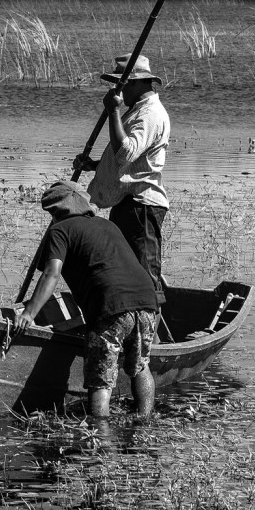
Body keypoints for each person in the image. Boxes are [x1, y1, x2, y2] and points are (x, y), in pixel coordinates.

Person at [14, 181, 159, 418]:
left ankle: (100, 434)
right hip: (146, 302)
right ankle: (144, 419)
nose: (51, 218)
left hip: (110, 307)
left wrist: (29, 313)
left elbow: (52, 273)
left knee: (100, 380)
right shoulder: (108, 225)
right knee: (141, 366)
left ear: (57, 211)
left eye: (51, 212)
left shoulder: (60, 230)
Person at [74, 53, 171, 307]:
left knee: (144, 273)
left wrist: (113, 111)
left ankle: (150, 339)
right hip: (128, 203)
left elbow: (126, 152)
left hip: (142, 206)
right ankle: (134, 329)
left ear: (139, 83)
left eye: (122, 84)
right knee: (125, 271)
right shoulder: (137, 111)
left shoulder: (150, 114)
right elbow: (128, 162)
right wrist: (94, 165)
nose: (118, 89)